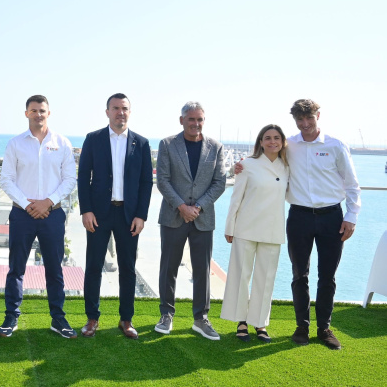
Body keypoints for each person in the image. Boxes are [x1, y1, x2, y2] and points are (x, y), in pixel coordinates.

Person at [279, 99, 360, 349]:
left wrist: (351, 217)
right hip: (299, 217)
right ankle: (301, 326)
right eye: (299, 120)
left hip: (332, 218)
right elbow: (265, 158)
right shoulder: (289, 144)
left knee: (327, 276)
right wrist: (241, 166)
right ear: (295, 121)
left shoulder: (336, 145)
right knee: (299, 274)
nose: (305, 125)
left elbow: (352, 185)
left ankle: (324, 328)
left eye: (309, 119)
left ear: (318, 116)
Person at [0, 95, 78, 339]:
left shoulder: (62, 143)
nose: (38, 114)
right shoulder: (15, 144)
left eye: (42, 110)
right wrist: (28, 204)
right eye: (34, 110)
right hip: (22, 215)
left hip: (52, 216)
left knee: (55, 269)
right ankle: (11, 316)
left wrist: (48, 202)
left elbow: (70, 180)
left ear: (49, 113)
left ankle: (58, 318)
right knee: (16, 269)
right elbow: (6, 180)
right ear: (26, 114)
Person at [77, 93, 153, 339]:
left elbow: (146, 182)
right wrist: (86, 210)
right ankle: (92, 319)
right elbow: (83, 178)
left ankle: (126, 320)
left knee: (128, 268)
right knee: (94, 267)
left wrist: (141, 215)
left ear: (130, 112)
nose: (121, 112)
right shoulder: (93, 139)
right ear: (107, 111)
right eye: (116, 108)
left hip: (128, 215)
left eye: (125, 108)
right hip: (99, 213)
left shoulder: (141, 143)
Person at [155, 101, 226, 340]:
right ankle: (166, 314)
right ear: (182, 120)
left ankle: (201, 319)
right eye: (191, 119)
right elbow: (163, 180)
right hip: (173, 217)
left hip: (203, 219)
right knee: (169, 268)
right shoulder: (167, 144)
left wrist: (197, 207)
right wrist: (181, 207)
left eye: (200, 120)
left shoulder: (215, 147)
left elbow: (220, 183)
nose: (196, 124)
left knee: (203, 270)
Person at [221, 124, 289, 343]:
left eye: (276, 138)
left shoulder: (287, 166)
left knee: (266, 278)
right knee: (241, 276)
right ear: (260, 142)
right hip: (246, 227)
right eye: (267, 138)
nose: (272, 142)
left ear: (282, 142)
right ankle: (241, 321)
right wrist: (230, 226)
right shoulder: (247, 165)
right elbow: (236, 197)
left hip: (273, 228)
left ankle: (260, 323)